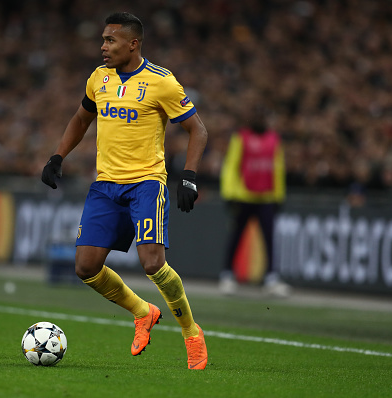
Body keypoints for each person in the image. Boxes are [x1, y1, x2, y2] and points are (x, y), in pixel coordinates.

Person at [41, 12, 208, 370]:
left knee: (152, 262)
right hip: (105, 185)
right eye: (103, 40)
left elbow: (198, 129)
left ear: (133, 44)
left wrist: (189, 176)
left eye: (110, 41)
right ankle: (142, 311)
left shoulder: (161, 82)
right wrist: (58, 156)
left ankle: (191, 332)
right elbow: (81, 118)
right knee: (86, 267)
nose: (103, 47)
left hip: (146, 183)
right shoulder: (98, 79)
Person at [218, 105, 291, 297]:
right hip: (243, 195)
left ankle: (271, 278)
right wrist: (229, 193)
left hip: (266, 197)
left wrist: (279, 196)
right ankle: (227, 275)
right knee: (236, 236)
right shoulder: (241, 138)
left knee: (269, 239)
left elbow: (278, 169)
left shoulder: (274, 140)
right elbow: (231, 166)